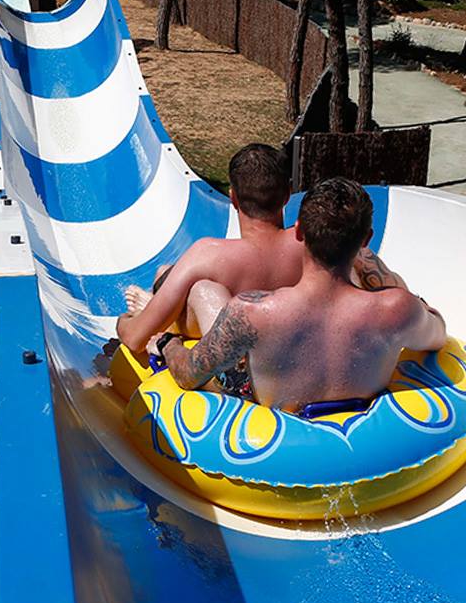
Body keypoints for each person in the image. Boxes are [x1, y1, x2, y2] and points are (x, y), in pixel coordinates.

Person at [116, 144, 408, 394]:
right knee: (173, 275)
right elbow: (397, 294)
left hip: (239, 355)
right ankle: (159, 299)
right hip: (289, 333)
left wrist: (124, 321)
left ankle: (157, 307)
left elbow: (135, 338)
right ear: (287, 196)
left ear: (232, 198)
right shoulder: (315, 243)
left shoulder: (208, 254)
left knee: (197, 286)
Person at [157, 178, 448, 413]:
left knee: (204, 292)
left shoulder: (251, 311)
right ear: (367, 240)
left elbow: (187, 375)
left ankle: (156, 306)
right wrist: (408, 299)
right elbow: (437, 336)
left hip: (270, 409)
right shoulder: (397, 308)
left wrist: (168, 343)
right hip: (368, 425)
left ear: (298, 233)